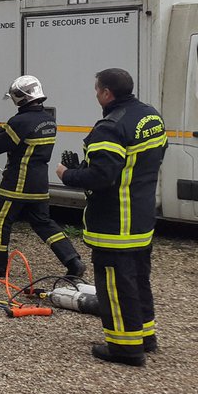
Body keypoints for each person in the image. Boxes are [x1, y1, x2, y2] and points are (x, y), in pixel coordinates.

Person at [56, 68, 166, 367]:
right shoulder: (150, 117)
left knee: (116, 285)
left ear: (106, 93)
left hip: (116, 222)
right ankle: (145, 335)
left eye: (97, 90)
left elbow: (102, 176)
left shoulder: (110, 127)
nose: (96, 95)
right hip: (142, 217)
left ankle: (125, 348)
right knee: (138, 278)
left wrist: (69, 174)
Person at [0, 75, 86, 279]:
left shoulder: (20, 120)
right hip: (39, 183)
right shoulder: (48, 119)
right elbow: (23, 135)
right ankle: (73, 261)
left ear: (19, 98)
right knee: (43, 223)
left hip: (17, 182)